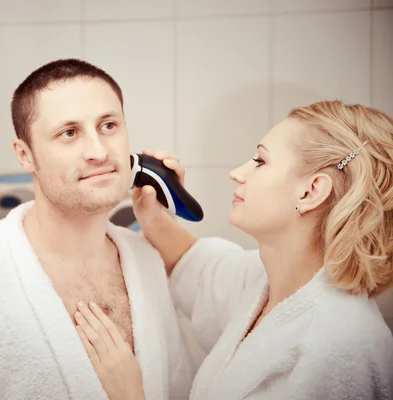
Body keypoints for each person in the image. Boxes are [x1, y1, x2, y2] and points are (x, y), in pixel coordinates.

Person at [0, 58, 194, 400]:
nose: (98, 151)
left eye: (108, 126)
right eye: (69, 133)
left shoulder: (146, 261)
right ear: (25, 155)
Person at [74, 100, 393, 399]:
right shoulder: (265, 284)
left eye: (260, 161)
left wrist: (129, 394)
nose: (237, 173)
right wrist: (153, 216)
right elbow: (198, 269)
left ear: (310, 191)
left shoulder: (342, 345)